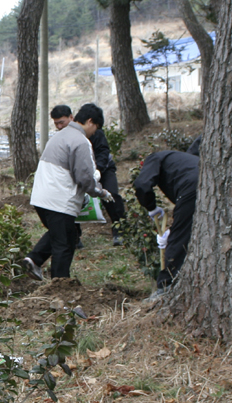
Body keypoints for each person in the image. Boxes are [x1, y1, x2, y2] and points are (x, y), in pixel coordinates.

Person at [23, 115, 110, 280]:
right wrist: (100, 192)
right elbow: (85, 177)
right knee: (63, 244)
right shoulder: (80, 141)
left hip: (41, 196)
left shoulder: (59, 136)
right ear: (90, 121)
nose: (94, 132)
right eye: (96, 127)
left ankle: (33, 260)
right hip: (59, 199)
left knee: (66, 235)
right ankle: (60, 284)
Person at [133, 150, 200, 297]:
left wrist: (151, 207)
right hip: (208, 183)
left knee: (179, 238)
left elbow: (142, 184)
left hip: (191, 187)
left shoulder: (154, 157)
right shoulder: (182, 159)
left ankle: (165, 287)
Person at [73, 103, 126, 246]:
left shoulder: (97, 133)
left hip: (103, 169)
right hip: (82, 172)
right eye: (57, 123)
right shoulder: (70, 135)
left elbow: (103, 153)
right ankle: (75, 237)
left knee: (112, 195)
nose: (59, 126)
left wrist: (98, 170)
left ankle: (119, 231)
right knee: (73, 200)